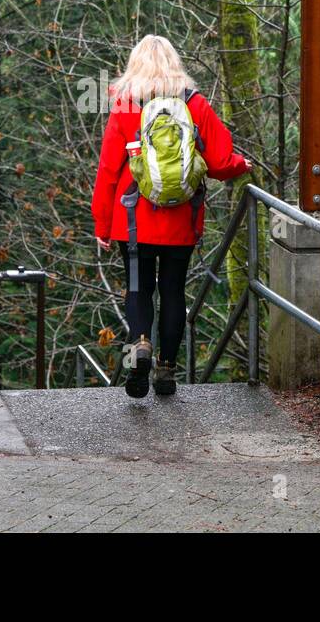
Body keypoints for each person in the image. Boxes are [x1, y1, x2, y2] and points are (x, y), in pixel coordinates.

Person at [91, 35, 251, 399]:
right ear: (175, 64)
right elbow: (220, 162)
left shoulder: (125, 105)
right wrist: (242, 165)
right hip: (181, 218)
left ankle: (140, 347)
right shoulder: (194, 104)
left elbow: (108, 170)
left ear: (135, 65)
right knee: (174, 290)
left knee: (138, 288)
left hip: (132, 221)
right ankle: (166, 368)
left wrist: (102, 222)